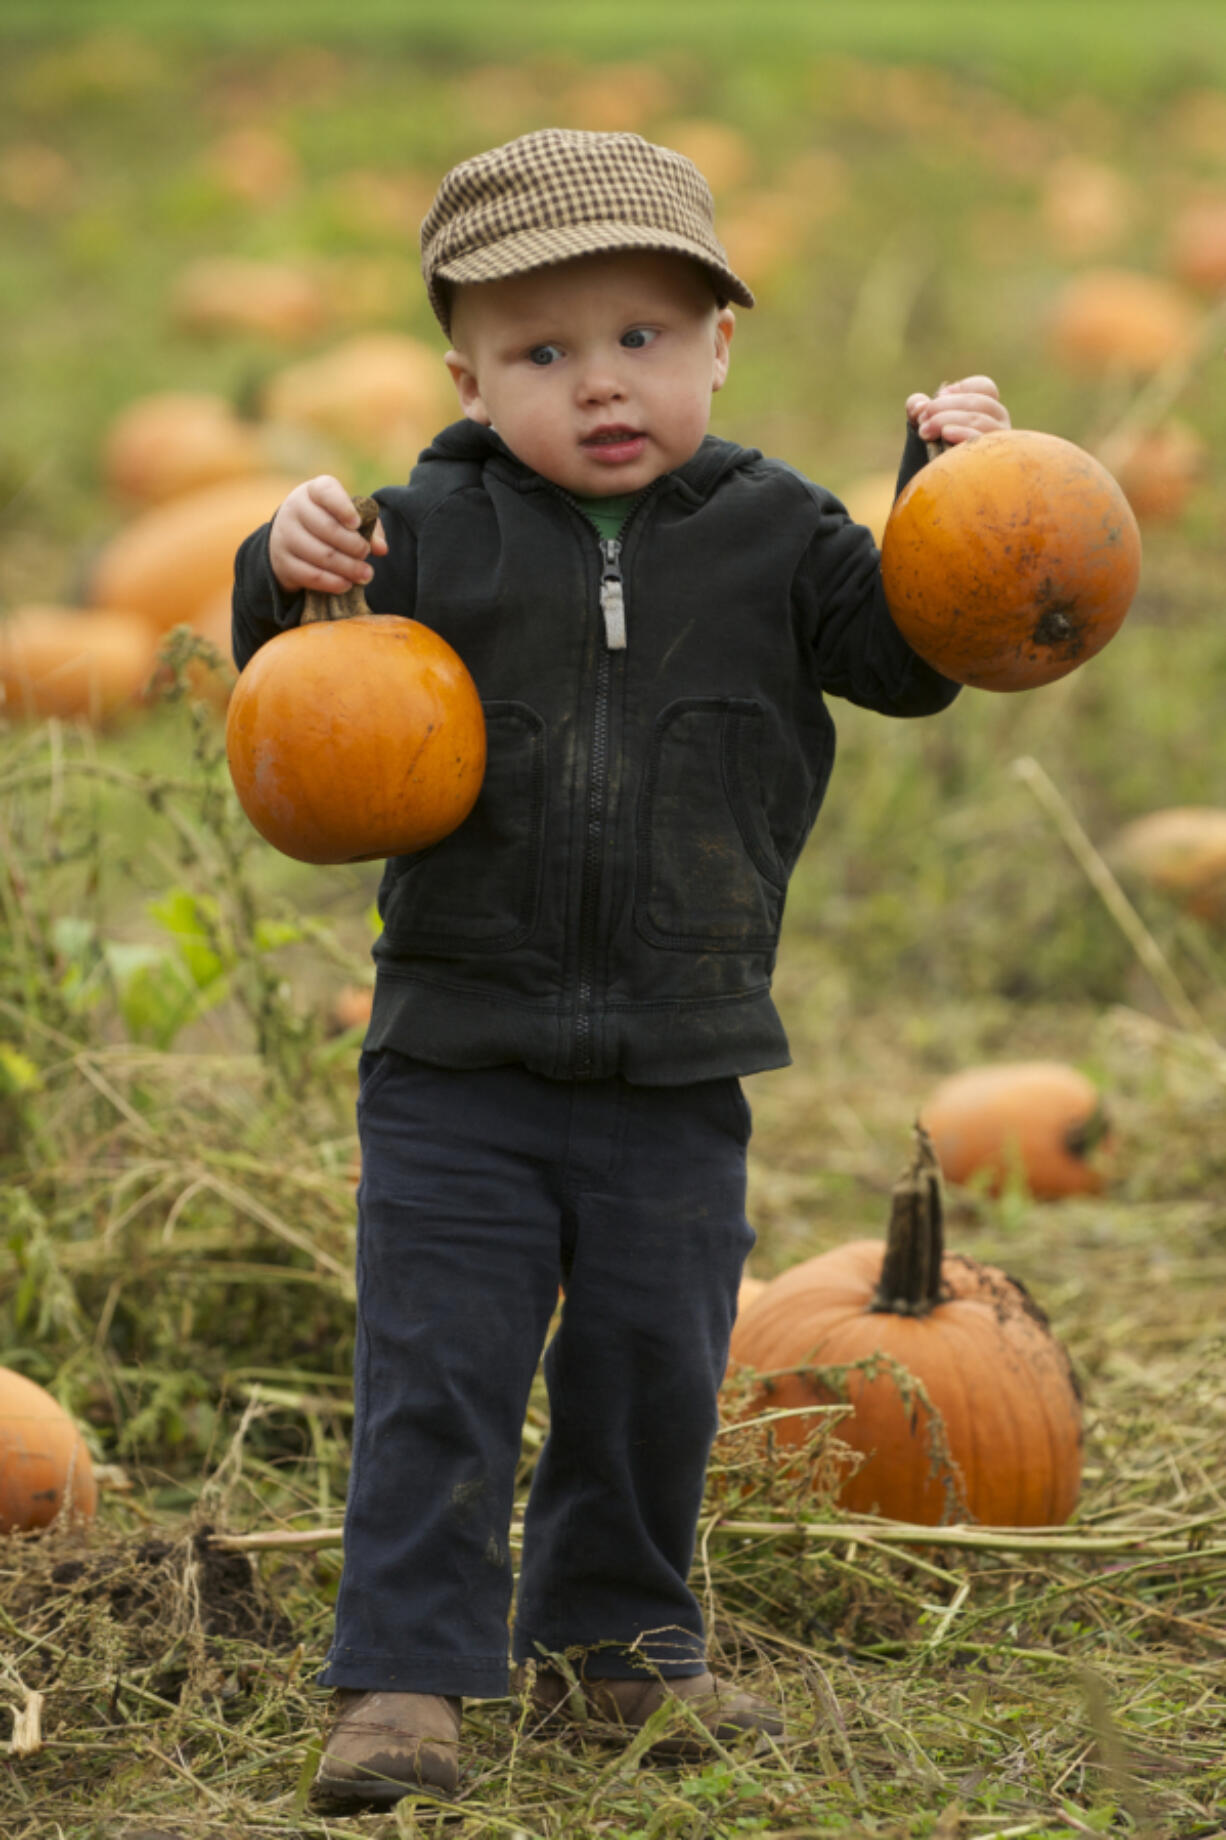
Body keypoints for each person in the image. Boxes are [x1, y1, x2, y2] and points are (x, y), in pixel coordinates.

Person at [231, 127, 1012, 1808]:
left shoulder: (783, 537)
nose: (601, 386)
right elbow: (299, 686)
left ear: (720, 341)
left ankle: (613, 1653)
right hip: (457, 1060)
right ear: (466, 371)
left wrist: (947, 486)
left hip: (679, 1058)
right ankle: (404, 1681)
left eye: (642, 340)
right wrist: (278, 567)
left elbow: (910, 658)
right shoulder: (422, 531)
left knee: (652, 1369)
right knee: (437, 1370)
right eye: (542, 352)